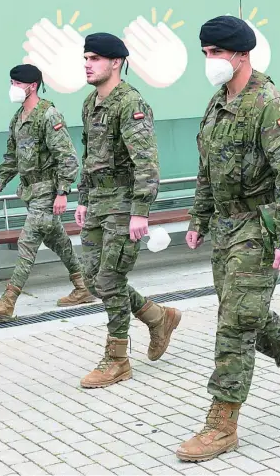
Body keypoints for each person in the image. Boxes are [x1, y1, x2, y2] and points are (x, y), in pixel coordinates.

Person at [177, 16, 280, 462]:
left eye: (217, 53)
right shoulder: (217, 103)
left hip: (259, 227)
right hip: (225, 228)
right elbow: (208, 169)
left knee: (235, 323)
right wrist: (198, 219)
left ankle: (222, 422)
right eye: (205, 54)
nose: (211, 61)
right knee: (247, 314)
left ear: (242, 54)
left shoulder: (269, 103)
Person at [76, 33, 182, 389]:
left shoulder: (130, 103)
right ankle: (157, 317)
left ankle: (117, 359)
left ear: (115, 62)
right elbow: (89, 155)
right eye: (86, 58)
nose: (87, 64)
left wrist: (140, 211)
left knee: (109, 281)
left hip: (123, 205)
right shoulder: (90, 103)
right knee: (93, 280)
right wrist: (82, 198)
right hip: (97, 204)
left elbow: (146, 162)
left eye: (95, 58)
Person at [0, 64, 94, 320]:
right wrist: (0, 182)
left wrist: (63, 192)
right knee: (59, 242)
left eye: (17, 83)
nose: (12, 88)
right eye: (11, 82)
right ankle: (83, 285)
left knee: (27, 243)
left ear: (32, 86)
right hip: (31, 192)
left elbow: (68, 158)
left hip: (48, 192)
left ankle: (8, 301)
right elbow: (12, 156)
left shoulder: (48, 115)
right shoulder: (18, 118)